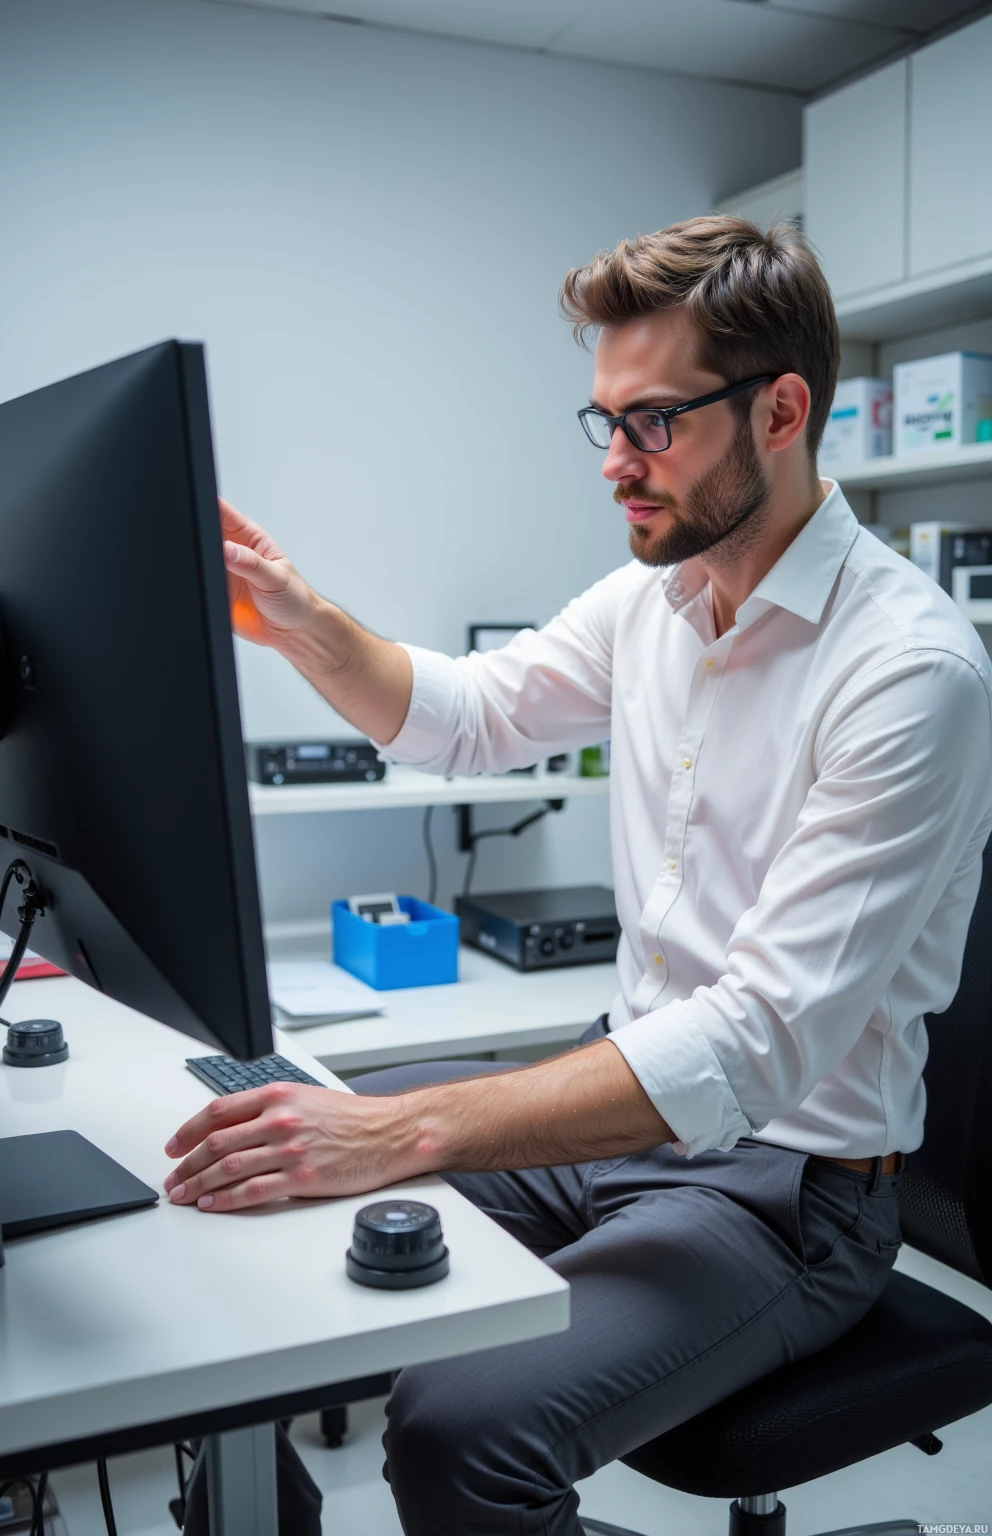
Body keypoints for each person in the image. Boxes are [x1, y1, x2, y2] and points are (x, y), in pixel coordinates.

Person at [168, 216, 992, 1536]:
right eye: (603, 420)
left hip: (791, 1194)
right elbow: (466, 716)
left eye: (652, 422)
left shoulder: (911, 671)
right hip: (630, 1127)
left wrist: (403, 1132)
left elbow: (755, 1045)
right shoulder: (652, 600)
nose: (615, 464)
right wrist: (299, 621)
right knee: (269, 1141)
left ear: (780, 411)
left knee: (460, 1429)